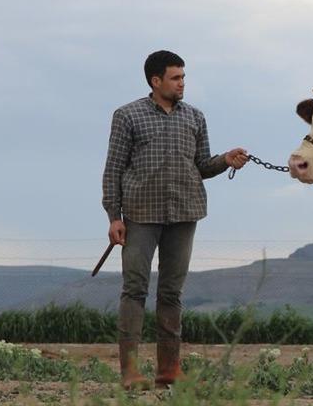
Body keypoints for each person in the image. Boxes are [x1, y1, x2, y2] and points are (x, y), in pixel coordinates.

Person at [101, 50, 248, 390]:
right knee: (134, 290)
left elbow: (202, 166)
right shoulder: (127, 116)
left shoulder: (195, 117)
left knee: (171, 293)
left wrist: (225, 159)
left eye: (183, 77)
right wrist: (113, 216)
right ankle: (131, 372)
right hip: (139, 214)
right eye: (176, 77)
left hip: (185, 212)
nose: (183, 83)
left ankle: (168, 370)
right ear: (156, 81)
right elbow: (113, 169)